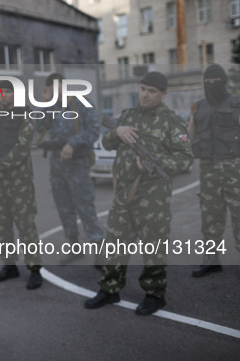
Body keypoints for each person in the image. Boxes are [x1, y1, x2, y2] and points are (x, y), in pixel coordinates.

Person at [84, 71, 193, 316]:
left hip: (153, 198)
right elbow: (106, 143)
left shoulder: (171, 121)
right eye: (143, 88)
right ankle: (109, 289)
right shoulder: (128, 115)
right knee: (114, 245)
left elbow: (186, 158)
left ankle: (155, 295)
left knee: (153, 248)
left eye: (151, 91)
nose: (144, 94)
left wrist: (159, 164)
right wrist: (117, 131)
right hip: (124, 195)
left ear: (163, 94)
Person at [188, 63, 240, 284]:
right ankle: (211, 260)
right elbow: (186, 139)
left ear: (224, 82)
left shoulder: (239, 103)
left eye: (216, 82)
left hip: (236, 170)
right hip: (209, 170)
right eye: (207, 83)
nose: (212, 86)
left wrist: (236, 116)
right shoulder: (199, 106)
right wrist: (193, 118)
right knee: (210, 217)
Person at [0, 80, 43, 290]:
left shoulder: (26, 115)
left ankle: (34, 270)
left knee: (26, 225)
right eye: (0, 91)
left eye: (8, 91)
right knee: (2, 225)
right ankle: (9, 265)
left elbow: (23, 147)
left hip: (18, 181)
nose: (3, 95)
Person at [37, 73, 104, 260]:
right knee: (64, 207)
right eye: (51, 89)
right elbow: (38, 127)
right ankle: (74, 248)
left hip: (78, 163)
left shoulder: (83, 104)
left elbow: (93, 130)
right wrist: (44, 104)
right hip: (57, 164)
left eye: (58, 87)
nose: (56, 91)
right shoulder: (51, 107)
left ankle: (99, 250)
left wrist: (73, 143)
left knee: (85, 207)